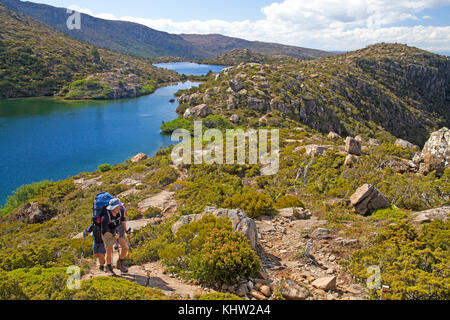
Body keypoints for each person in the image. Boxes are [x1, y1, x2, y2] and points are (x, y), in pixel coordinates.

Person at [101, 198, 129, 275]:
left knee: (125, 248)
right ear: (111, 207)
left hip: (118, 230)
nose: (118, 208)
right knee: (109, 251)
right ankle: (109, 267)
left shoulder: (121, 210)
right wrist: (113, 235)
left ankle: (120, 263)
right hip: (108, 233)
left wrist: (126, 230)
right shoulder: (105, 217)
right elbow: (104, 232)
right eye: (116, 207)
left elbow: (123, 220)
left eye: (119, 206)